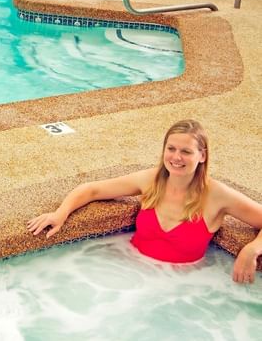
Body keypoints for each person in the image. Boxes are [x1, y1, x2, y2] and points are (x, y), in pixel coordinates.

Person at [28, 119, 262, 283]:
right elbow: (92, 190)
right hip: (127, 273)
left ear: (202, 156)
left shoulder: (216, 195)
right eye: (171, 148)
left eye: (186, 151)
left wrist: (251, 249)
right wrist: (60, 213)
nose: (176, 157)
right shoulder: (151, 181)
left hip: (182, 287)